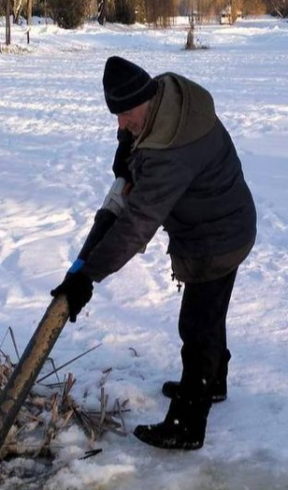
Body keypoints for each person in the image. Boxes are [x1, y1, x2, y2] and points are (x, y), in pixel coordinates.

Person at [52, 56, 257, 450]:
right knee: (209, 316)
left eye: (126, 114)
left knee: (197, 327)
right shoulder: (166, 99)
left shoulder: (171, 155)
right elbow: (139, 137)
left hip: (217, 237)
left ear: (144, 101)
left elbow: (135, 225)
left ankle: (187, 424)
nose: (120, 124)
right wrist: (128, 151)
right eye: (116, 116)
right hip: (221, 222)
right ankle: (213, 383)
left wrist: (87, 275)